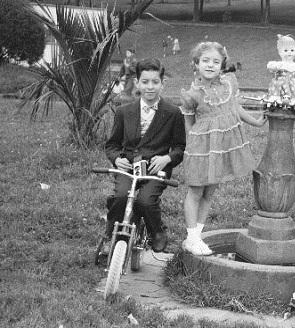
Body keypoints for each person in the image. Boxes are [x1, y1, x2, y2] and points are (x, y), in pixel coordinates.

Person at [180, 41, 266, 256]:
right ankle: (191, 237)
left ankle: (197, 236)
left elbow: (235, 108)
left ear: (222, 65)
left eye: (215, 62)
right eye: (205, 61)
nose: (210, 65)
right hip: (201, 147)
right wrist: (192, 151)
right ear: (196, 64)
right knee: (196, 190)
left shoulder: (229, 84)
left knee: (210, 191)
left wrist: (256, 121)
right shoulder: (193, 94)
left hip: (221, 148)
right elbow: (189, 125)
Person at [104, 58, 186, 253]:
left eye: (155, 82)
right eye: (145, 82)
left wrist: (166, 159)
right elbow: (112, 145)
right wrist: (117, 159)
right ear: (137, 83)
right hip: (129, 168)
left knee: (145, 201)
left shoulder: (173, 113)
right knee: (121, 197)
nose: (150, 87)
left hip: (155, 170)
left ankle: (157, 231)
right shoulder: (124, 112)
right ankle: (110, 235)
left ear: (162, 84)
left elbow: (179, 148)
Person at [266, 34, 295, 129]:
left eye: (292, 50)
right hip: (279, 88)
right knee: (276, 101)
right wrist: (276, 66)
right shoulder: (279, 64)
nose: (289, 53)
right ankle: (272, 116)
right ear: (279, 52)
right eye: (286, 50)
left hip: (293, 88)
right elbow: (270, 67)